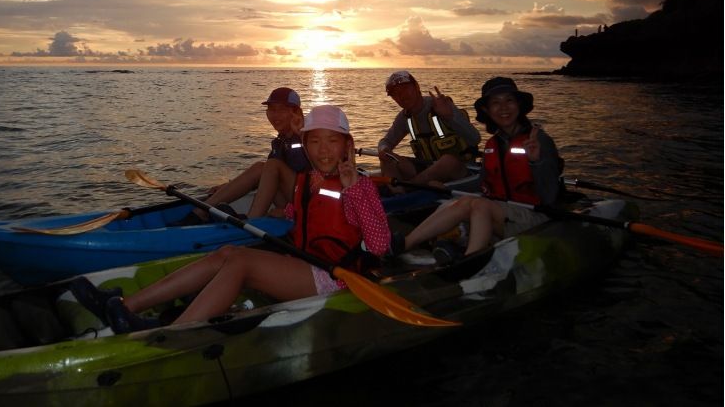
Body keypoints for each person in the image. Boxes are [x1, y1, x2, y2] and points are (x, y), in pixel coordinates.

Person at [71, 105, 391, 332]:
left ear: (347, 145)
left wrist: (352, 192)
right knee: (226, 253)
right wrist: (272, 212)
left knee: (241, 264)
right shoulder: (308, 179)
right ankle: (127, 306)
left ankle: (176, 333)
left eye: (332, 140)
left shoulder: (359, 186)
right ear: (305, 144)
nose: (323, 150)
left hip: (337, 278)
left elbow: (379, 244)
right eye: (315, 141)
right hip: (306, 261)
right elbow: (300, 214)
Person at [392, 77, 563, 262]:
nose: (503, 107)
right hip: (503, 214)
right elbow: (482, 181)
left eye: (509, 100)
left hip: (533, 217)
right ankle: (404, 244)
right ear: (487, 110)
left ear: (519, 105)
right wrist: (447, 188)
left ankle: (471, 260)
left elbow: (549, 196)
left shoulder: (539, 141)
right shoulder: (493, 143)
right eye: (495, 103)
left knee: (478, 204)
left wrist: (536, 162)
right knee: (456, 203)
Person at [196, 87, 310, 221]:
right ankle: (201, 210)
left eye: (281, 110)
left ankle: (252, 221)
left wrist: (290, 211)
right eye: (271, 110)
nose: (275, 115)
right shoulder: (279, 143)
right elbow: (266, 175)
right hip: (291, 198)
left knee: (271, 165)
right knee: (261, 167)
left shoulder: (309, 137)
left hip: (309, 202)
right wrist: (227, 187)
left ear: (297, 112)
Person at [378, 71, 480, 186]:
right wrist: (384, 149)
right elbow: (386, 141)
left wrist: (450, 117)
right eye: (396, 94)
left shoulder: (440, 105)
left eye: (405, 89)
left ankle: (409, 189)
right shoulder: (404, 117)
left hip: (462, 171)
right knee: (387, 159)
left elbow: (475, 138)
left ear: (417, 87)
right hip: (428, 170)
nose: (402, 96)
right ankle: (399, 194)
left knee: (447, 161)